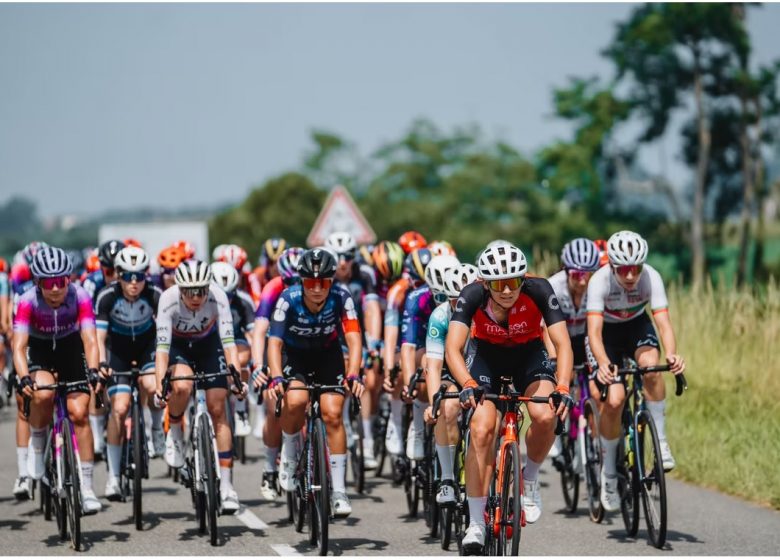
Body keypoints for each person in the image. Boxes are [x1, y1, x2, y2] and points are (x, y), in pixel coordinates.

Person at [445, 242, 573, 553]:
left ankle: (528, 478)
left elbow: (563, 344)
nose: (506, 291)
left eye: (513, 282)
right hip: (486, 358)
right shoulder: (471, 295)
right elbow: (453, 347)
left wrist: (564, 387)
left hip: (529, 356)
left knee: (545, 415)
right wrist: (467, 382)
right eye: (498, 284)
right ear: (485, 284)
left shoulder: (540, 289)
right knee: (481, 428)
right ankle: (476, 523)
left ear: (522, 279)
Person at [585, 230, 686, 512]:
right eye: (624, 269)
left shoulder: (651, 277)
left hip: (636, 326)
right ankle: (608, 474)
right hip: (606, 333)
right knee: (615, 399)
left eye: (636, 269)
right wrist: (604, 363)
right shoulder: (599, 281)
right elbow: (593, 332)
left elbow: (663, 323)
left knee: (652, 370)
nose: (631, 276)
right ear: (613, 266)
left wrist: (673, 354)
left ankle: (661, 442)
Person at [267, 248, 363, 517]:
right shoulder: (288, 298)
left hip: (327, 354)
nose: (317, 288)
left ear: (331, 281)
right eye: (311, 282)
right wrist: (276, 377)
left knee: (333, 414)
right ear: (301, 281)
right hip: (294, 355)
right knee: (296, 400)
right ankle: (288, 452)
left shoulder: (342, 297)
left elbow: (354, 338)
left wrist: (354, 373)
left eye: (323, 282)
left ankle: (340, 491)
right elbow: (274, 343)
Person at [13, 247, 104, 513]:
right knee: (42, 394)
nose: (56, 289)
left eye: (62, 281)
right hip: (39, 350)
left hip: (70, 349)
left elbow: (90, 339)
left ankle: (87, 489)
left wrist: (95, 370)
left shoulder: (81, 296)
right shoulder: (27, 300)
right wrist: (22, 378)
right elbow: (18, 346)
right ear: (37, 282)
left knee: (80, 414)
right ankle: (38, 445)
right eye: (49, 283)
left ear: (69, 280)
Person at [154, 260, 245, 513]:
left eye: (201, 291)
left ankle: (227, 486)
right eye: (190, 291)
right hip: (179, 348)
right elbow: (161, 351)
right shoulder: (167, 299)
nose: (196, 297)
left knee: (218, 406)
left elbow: (229, 343)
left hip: (208, 345)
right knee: (181, 385)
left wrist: (236, 379)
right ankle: (175, 432)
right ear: (180, 289)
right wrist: (161, 388)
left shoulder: (219, 297)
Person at [94, 247, 164, 498]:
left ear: (146, 275)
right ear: (118, 275)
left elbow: (166, 333)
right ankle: (113, 477)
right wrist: (102, 364)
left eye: (139, 276)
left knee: (151, 385)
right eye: (127, 276)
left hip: (147, 347)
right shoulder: (106, 297)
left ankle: (157, 429)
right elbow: (99, 338)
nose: (134, 283)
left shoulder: (155, 294)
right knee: (120, 408)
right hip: (118, 352)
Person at [423, 263, 480, 506]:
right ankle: (447, 478)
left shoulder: (489, 312)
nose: (463, 307)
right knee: (447, 408)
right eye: (456, 302)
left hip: (479, 367)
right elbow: (434, 367)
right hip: (450, 369)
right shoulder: (439, 316)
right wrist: (433, 402)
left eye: (468, 299)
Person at [249, 247, 303, 500]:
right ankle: (270, 467)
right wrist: (259, 366)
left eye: (299, 281)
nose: (295, 287)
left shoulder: (316, 288)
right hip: (278, 345)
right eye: (290, 282)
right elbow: (260, 332)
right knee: (274, 408)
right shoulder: (272, 288)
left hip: (308, 344)